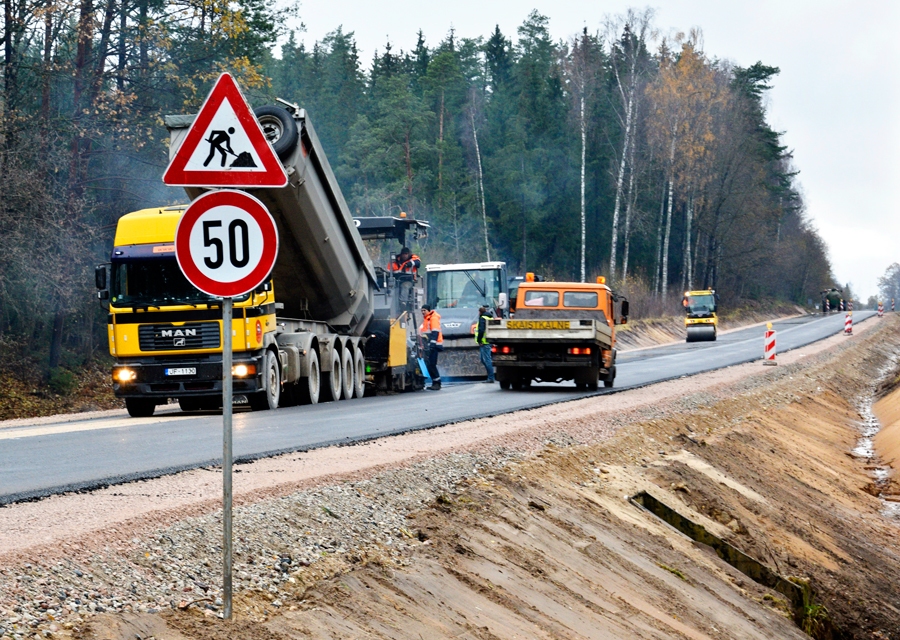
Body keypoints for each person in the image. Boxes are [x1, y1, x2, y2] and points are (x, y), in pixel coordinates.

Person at [420, 304, 443, 390]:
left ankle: (437, 383)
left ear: (428, 310)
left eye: (424, 310)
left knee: (431, 364)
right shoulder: (427, 319)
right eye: (422, 311)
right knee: (430, 364)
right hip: (431, 345)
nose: (423, 312)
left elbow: (435, 332)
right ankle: (435, 382)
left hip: (434, 345)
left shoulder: (433, 318)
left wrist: (432, 344)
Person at [474, 306, 495, 383]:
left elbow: (481, 330)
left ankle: (491, 377)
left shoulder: (482, 318)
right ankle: (490, 376)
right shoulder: (489, 317)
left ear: (480, 312)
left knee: (486, 360)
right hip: (488, 341)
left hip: (484, 342)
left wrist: (479, 340)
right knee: (484, 360)